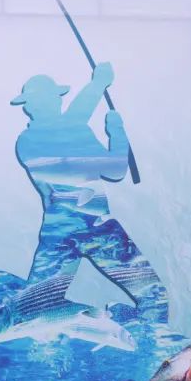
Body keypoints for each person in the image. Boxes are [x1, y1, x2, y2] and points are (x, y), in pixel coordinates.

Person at [12, 63, 166, 322]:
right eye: (55, 98)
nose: (59, 102)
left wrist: (97, 84)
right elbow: (115, 169)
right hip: (98, 228)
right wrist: (117, 132)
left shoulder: (25, 142)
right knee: (154, 298)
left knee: (31, 310)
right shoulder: (72, 131)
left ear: (30, 106)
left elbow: (72, 121)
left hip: (58, 231)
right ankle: (108, 321)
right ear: (52, 102)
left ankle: (97, 323)